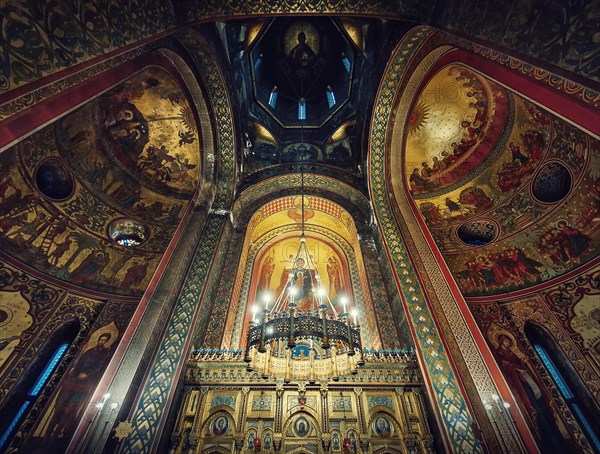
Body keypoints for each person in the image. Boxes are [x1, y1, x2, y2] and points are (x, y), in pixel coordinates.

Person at [48, 333, 114, 444]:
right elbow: (78, 363)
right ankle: (47, 437)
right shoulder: (89, 352)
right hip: (74, 380)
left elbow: (99, 366)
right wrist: (80, 355)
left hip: (86, 384)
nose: (101, 342)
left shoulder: (104, 354)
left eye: (104, 340)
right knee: (59, 407)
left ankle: (57, 437)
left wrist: (87, 373)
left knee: (70, 409)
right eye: (100, 339)